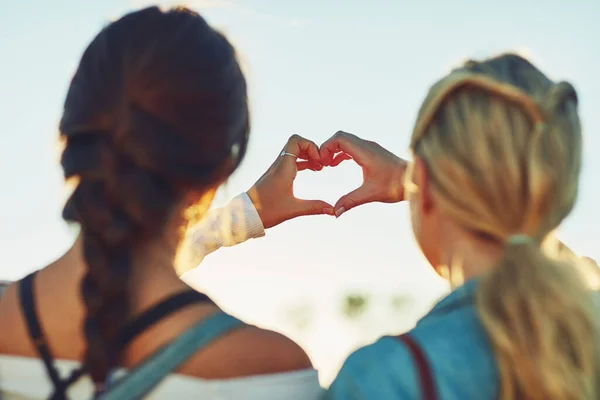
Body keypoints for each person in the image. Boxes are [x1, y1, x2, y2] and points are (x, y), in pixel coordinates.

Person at [179, 53, 599, 399]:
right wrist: (421, 180)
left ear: (427, 187)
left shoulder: (386, 379)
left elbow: (129, 281)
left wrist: (239, 218)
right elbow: (532, 241)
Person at [0, 6, 326, 399]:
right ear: (220, 167)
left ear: (70, 135)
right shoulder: (268, 369)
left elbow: (118, 256)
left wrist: (245, 215)